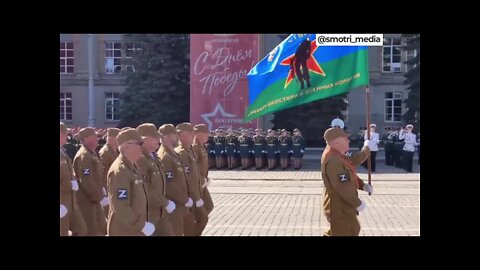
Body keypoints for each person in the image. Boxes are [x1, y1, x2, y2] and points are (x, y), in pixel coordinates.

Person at [321, 127, 373, 236]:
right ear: (337, 141)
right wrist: (357, 203)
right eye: (346, 139)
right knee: (347, 231)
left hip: (343, 206)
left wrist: (362, 185)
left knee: (349, 229)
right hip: (339, 206)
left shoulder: (338, 155)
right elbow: (342, 186)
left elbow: (352, 164)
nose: (348, 141)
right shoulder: (333, 159)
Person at [106, 128, 155, 236]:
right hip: (125, 230)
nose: (142, 147)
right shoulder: (120, 171)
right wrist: (141, 225)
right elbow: (121, 207)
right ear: (126, 146)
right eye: (139, 144)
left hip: (134, 229)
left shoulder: (132, 166)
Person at [136, 123, 175, 236]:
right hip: (148, 213)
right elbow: (145, 188)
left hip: (159, 211)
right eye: (155, 138)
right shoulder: (140, 159)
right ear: (145, 139)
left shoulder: (153, 156)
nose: (158, 140)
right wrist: (165, 202)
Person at [157, 124, 194, 236]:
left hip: (180, 203)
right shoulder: (165, 156)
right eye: (175, 135)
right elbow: (170, 184)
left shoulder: (172, 153)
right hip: (174, 203)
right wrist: (184, 199)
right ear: (167, 137)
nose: (177, 138)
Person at [73, 128, 109, 236]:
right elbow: (86, 181)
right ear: (85, 139)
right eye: (94, 137)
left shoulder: (92, 154)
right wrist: (98, 197)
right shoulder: (85, 156)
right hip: (87, 200)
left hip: (94, 199)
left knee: (100, 228)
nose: (97, 139)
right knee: (91, 230)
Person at [175, 123, 208, 236]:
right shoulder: (183, 152)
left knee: (201, 217)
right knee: (197, 219)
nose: (192, 136)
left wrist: (203, 179)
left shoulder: (189, 150)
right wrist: (194, 196)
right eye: (191, 134)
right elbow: (186, 177)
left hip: (197, 187)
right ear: (182, 135)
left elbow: (196, 169)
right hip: (189, 194)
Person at [60, 122, 86, 236]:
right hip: (61, 202)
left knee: (81, 229)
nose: (67, 136)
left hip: (70, 201)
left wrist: (73, 180)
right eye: (66, 134)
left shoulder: (62, 152)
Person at [192, 124, 215, 217]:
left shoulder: (201, 146)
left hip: (202, 182)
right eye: (205, 133)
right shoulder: (195, 147)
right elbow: (194, 166)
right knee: (205, 206)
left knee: (208, 206)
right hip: (197, 182)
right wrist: (200, 179)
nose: (207, 135)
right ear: (197, 134)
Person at [98, 128, 120, 218]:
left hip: (113, 187)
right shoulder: (105, 152)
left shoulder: (114, 151)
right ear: (112, 138)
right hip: (107, 188)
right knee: (108, 215)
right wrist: (103, 190)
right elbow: (101, 172)